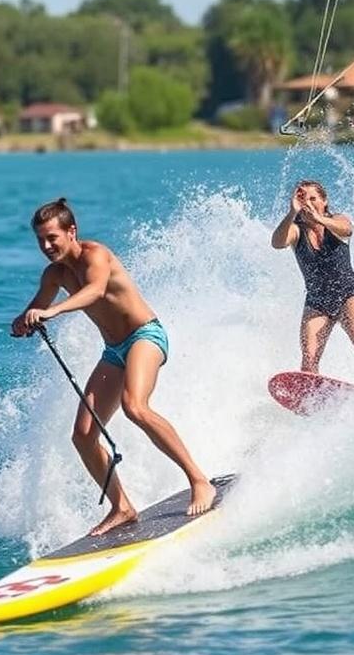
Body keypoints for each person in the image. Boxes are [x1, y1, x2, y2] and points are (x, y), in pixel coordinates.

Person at [11, 198, 215, 536]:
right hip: (114, 351)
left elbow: (95, 290)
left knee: (134, 406)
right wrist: (23, 322)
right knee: (83, 435)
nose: (46, 246)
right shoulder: (55, 274)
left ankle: (199, 480)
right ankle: (122, 507)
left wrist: (53, 312)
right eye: (40, 240)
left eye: (52, 238)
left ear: (71, 232)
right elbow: (36, 308)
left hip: (145, 336)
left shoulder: (96, 255)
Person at [271, 180, 354, 375]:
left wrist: (319, 218)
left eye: (313, 198)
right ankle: (312, 400)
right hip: (317, 301)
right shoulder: (296, 230)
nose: (307, 201)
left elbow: (347, 229)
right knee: (309, 356)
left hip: (349, 293)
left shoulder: (337, 220)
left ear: (324, 201)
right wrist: (291, 213)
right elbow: (277, 243)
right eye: (302, 198)